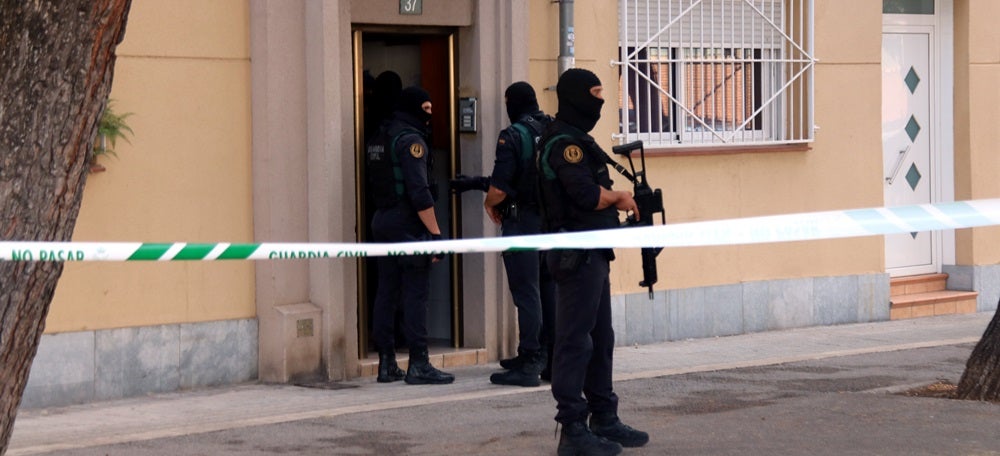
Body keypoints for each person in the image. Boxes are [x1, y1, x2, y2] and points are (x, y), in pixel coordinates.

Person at [537, 68, 650, 454]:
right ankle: (572, 428)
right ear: (575, 96)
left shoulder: (579, 140)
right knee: (574, 342)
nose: (600, 101)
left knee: (601, 340)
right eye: (595, 93)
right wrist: (618, 198)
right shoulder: (564, 144)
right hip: (575, 255)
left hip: (593, 253)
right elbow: (585, 195)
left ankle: (604, 416)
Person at [367, 86, 454, 385]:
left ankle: (386, 363)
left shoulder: (382, 135)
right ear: (413, 108)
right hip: (407, 223)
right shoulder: (411, 141)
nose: (430, 115)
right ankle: (419, 362)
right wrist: (436, 233)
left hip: (382, 220)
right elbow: (419, 193)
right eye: (426, 109)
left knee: (386, 292)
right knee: (416, 292)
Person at [479, 82, 557, 387]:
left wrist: (489, 203)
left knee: (526, 292)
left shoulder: (512, 135)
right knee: (548, 290)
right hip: (550, 223)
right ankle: (550, 357)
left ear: (512, 103)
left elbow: (499, 189)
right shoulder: (551, 127)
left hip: (522, 222)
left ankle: (530, 358)